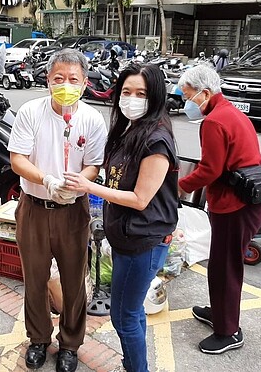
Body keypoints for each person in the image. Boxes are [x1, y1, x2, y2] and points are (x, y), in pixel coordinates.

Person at [64, 62, 179, 372]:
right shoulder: (131, 130)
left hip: (144, 240)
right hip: (128, 236)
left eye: (141, 93)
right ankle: (134, 364)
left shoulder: (155, 141)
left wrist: (90, 186)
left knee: (123, 317)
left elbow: (141, 199)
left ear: (154, 96)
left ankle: (136, 369)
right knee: (132, 311)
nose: (132, 98)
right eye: (126, 91)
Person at [8, 48, 107, 372]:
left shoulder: (91, 119)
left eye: (73, 79)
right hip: (34, 208)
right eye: (59, 78)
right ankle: (38, 339)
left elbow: (94, 164)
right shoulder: (31, 112)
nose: (66, 84)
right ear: (48, 80)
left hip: (73, 212)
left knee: (73, 282)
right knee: (34, 280)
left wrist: (78, 182)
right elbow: (18, 159)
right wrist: (47, 180)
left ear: (85, 82)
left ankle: (70, 344)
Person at [177, 64, 261, 354]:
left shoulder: (214, 121)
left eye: (189, 96)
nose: (186, 103)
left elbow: (210, 170)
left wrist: (179, 185)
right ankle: (219, 313)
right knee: (220, 264)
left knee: (225, 267)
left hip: (234, 206)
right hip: (244, 200)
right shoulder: (229, 112)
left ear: (205, 93)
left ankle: (229, 332)